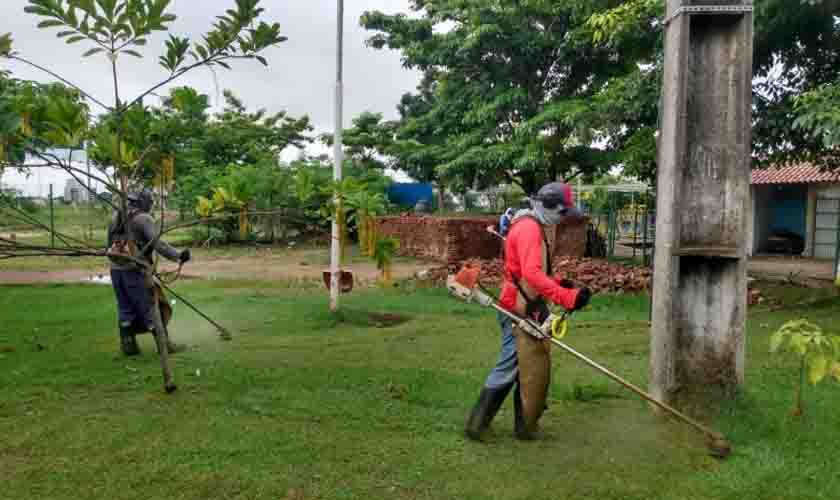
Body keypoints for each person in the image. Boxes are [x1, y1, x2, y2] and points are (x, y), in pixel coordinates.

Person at [465, 182, 591, 441]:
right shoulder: (529, 229)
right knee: (511, 364)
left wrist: (558, 285)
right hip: (516, 306)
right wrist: (566, 297)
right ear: (549, 206)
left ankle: (525, 426)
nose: (564, 218)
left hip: (530, 304)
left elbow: (533, 272)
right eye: (563, 213)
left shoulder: (534, 225)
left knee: (531, 364)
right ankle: (477, 426)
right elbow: (532, 275)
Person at [107, 189, 191, 356]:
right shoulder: (143, 219)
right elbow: (158, 244)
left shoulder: (115, 217)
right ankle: (164, 345)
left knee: (125, 308)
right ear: (144, 202)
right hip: (136, 270)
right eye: (150, 202)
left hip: (116, 270)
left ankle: (129, 347)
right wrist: (178, 256)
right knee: (150, 307)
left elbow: (108, 245)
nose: (151, 205)